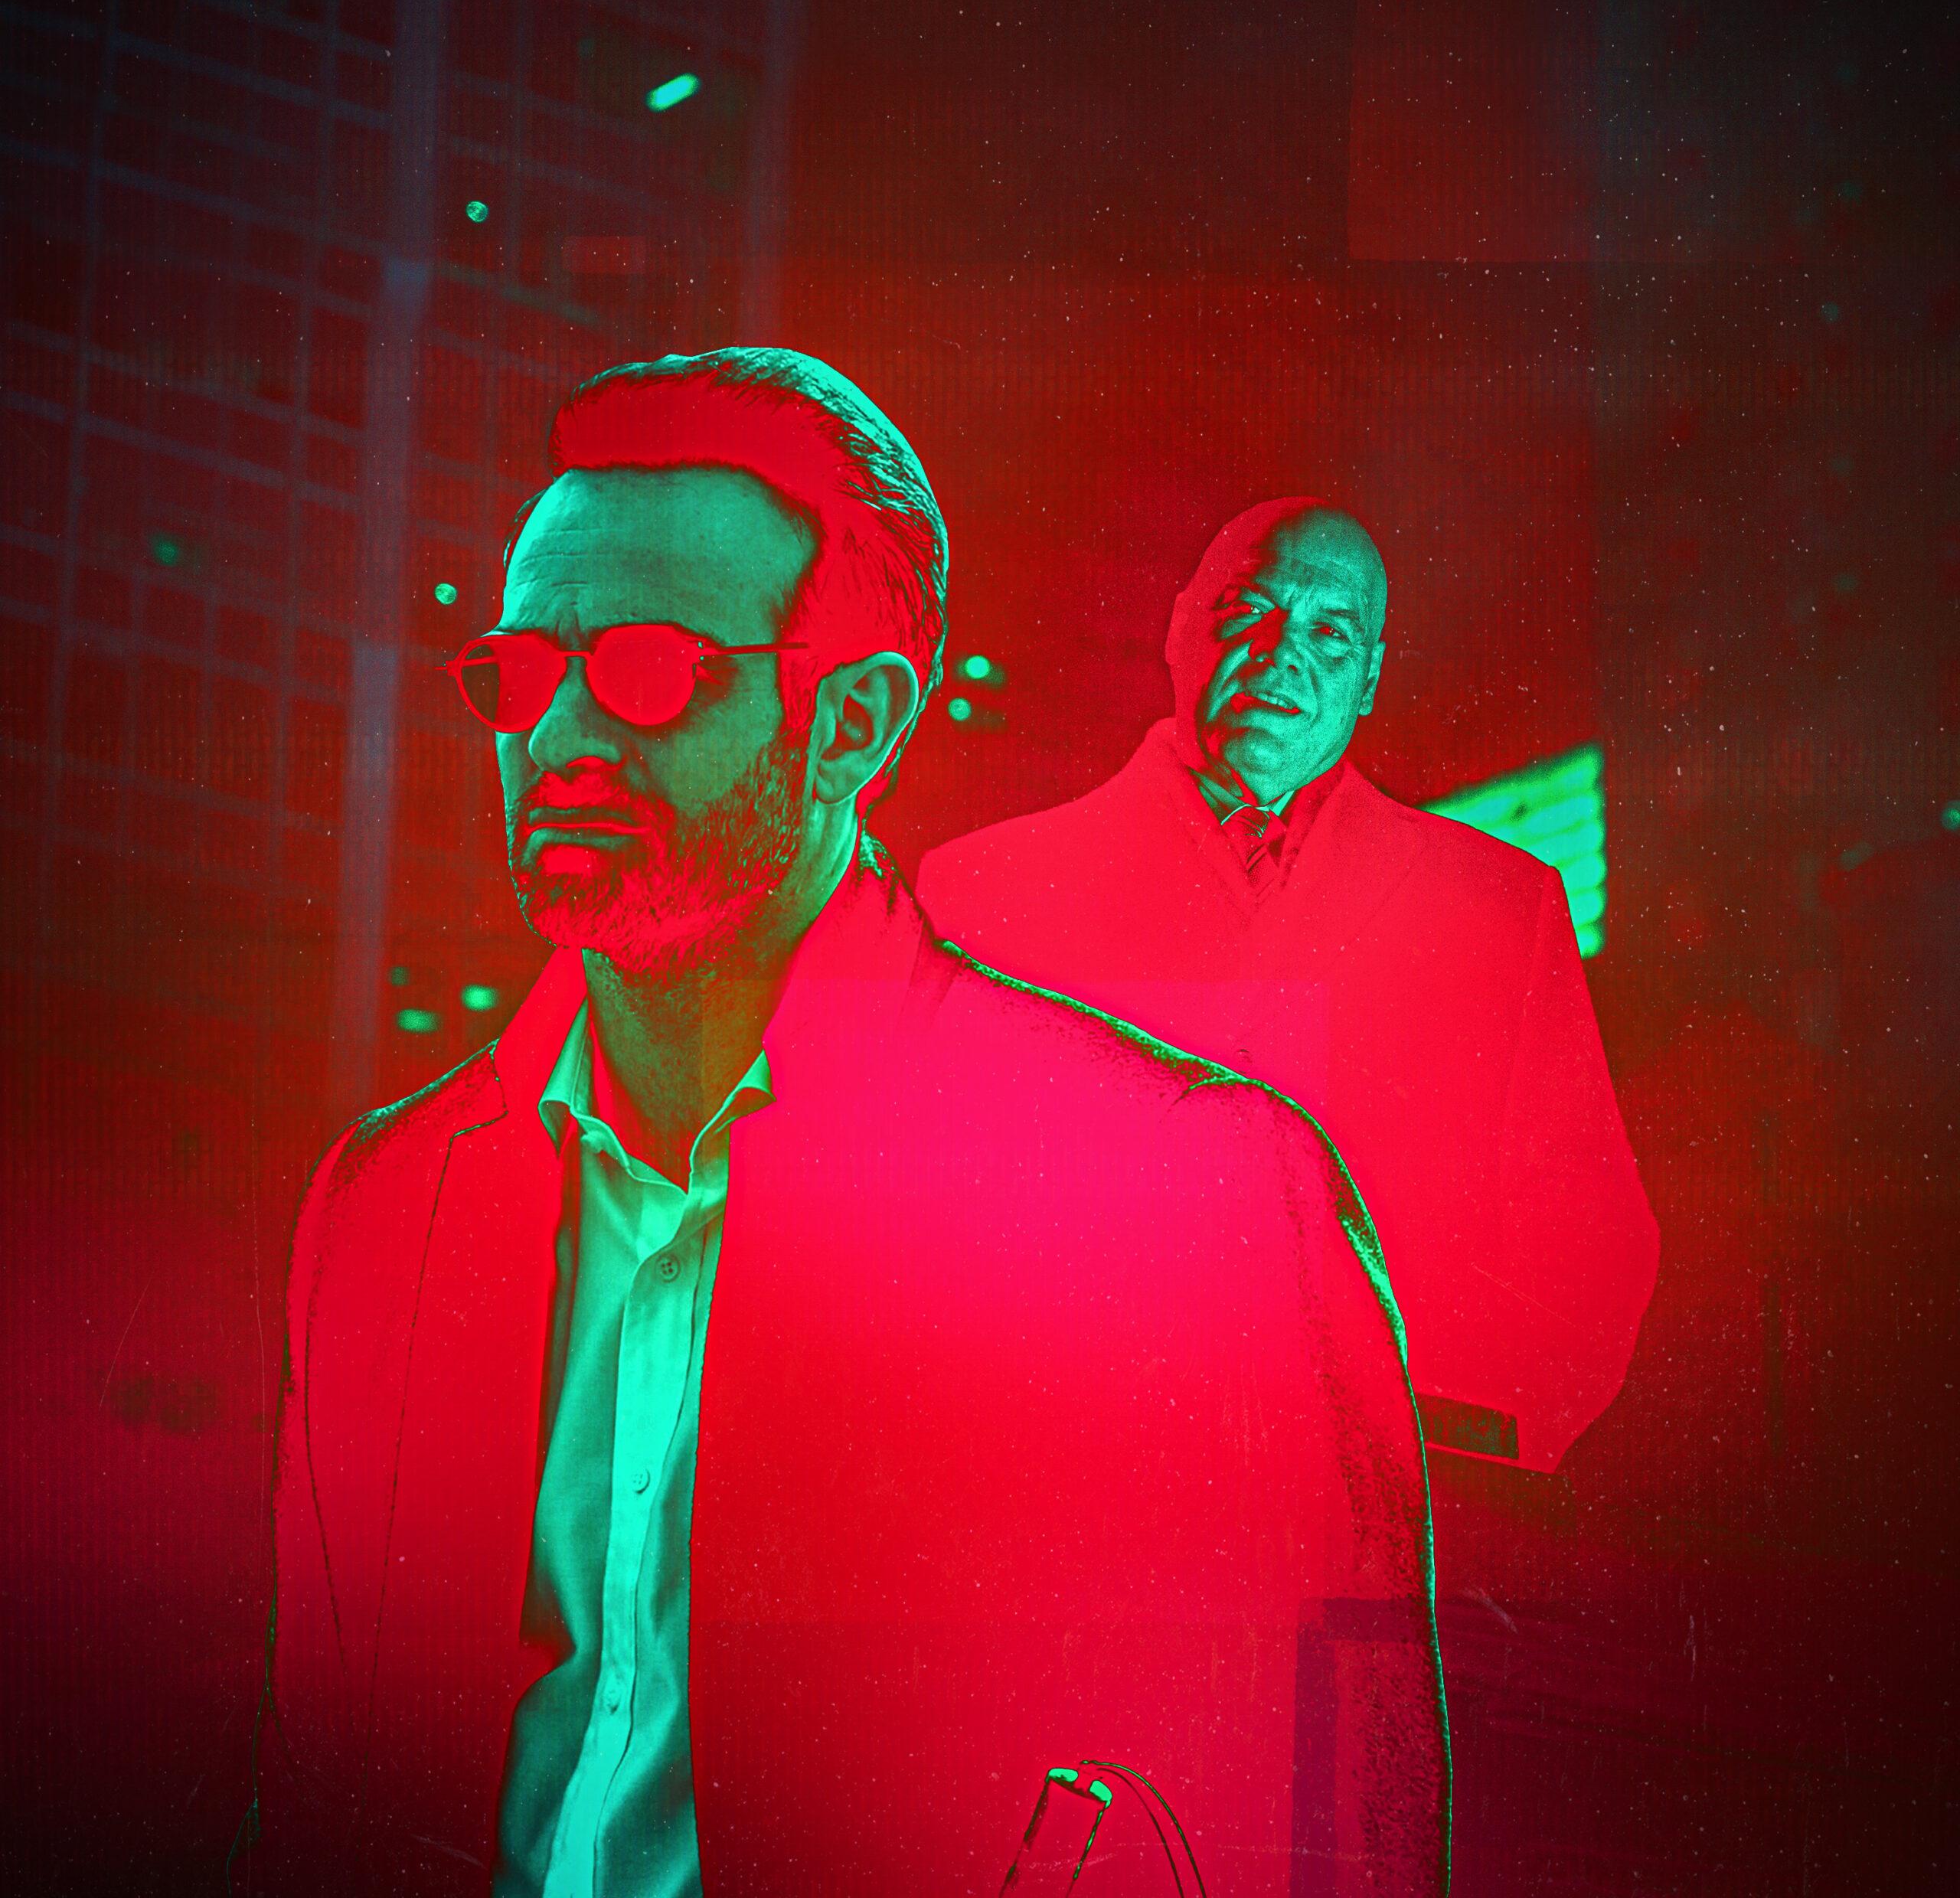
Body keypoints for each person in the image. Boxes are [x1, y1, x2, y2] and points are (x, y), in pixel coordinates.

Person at [247, 363, 1446, 1896]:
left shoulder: (1186, 1188)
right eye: (523, 674)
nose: (555, 739)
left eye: (647, 670)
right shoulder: (382, 1202)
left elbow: (1327, 1845)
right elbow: (315, 1809)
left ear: (854, 724)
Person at [918, 498, 1658, 1474]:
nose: (1281, 656)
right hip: (1069, 1472)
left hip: (1397, 1492)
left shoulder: (1499, 907)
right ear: (1180, 629)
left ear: (1369, 678)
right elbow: (915, 1222)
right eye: (1248, 611)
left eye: (1329, 632)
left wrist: (1449, 1449)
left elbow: (1583, 1226)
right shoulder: (984, 891)